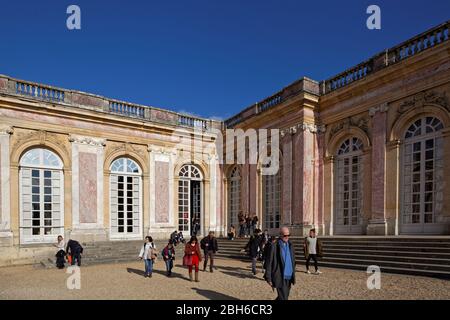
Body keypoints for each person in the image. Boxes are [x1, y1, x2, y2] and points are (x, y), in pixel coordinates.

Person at [264, 227, 296, 300]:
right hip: (279, 276)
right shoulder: (274, 246)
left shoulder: (290, 245)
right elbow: (269, 262)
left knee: (284, 297)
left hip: (289, 276)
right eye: (285, 235)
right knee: (283, 298)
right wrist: (268, 277)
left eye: (289, 235)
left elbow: (293, 259)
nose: (287, 237)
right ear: (280, 235)